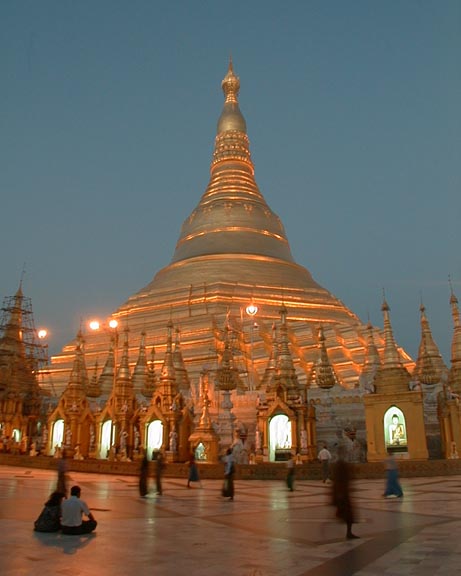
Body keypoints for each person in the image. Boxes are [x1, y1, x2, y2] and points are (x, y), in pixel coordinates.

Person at [331, 450, 358, 539]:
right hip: (342, 493)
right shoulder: (340, 465)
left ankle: (349, 532)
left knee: (346, 513)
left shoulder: (340, 464)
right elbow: (339, 480)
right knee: (348, 514)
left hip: (343, 492)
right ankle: (348, 532)